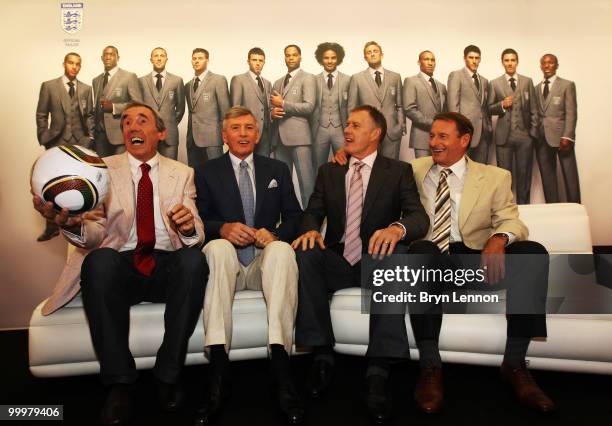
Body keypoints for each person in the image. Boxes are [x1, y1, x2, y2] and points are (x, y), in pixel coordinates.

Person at [33, 102, 208, 426]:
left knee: (194, 259)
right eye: (127, 122)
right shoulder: (100, 171)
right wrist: (70, 224)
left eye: (142, 121)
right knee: (100, 262)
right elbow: (95, 235)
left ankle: (168, 374)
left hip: (165, 263)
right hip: (120, 266)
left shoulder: (182, 173)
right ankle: (119, 382)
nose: (132, 127)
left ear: (161, 132)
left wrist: (186, 228)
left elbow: (195, 232)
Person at [409, 111, 553, 414]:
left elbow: (512, 221)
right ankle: (430, 367)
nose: (433, 142)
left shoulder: (495, 177)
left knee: (532, 252)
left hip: (477, 261)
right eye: (431, 135)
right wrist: (345, 154)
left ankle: (515, 365)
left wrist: (499, 238)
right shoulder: (413, 170)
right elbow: (375, 174)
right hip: (433, 263)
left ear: (465, 140)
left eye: (442, 136)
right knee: (421, 251)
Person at [293, 105, 430, 423]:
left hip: (377, 260)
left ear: (376, 133)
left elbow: (418, 217)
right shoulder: (330, 171)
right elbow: (313, 211)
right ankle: (322, 354)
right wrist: (312, 229)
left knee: (396, 254)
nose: (347, 131)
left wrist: (397, 229)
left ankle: (379, 368)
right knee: (306, 252)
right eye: (346, 125)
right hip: (340, 259)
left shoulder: (397, 171)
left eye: (355, 125)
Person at [194, 106, 303, 425]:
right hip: (225, 267)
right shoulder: (204, 171)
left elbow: (295, 216)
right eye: (235, 128)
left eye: (248, 128)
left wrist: (276, 233)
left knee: (283, 250)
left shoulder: (278, 169)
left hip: (261, 267)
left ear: (257, 135)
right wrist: (222, 228)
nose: (243, 133)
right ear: (224, 135)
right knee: (216, 247)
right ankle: (217, 371)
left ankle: (282, 369)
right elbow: (197, 221)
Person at [35, 52, 95, 241]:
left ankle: (77, 226)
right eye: (71, 63)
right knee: (53, 182)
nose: (74, 67)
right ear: (64, 64)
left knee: (79, 182)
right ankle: (51, 226)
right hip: (56, 140)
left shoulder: (86, 89)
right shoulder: (49, 86)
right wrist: (45, 136)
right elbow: (41, 114)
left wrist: (89, 137)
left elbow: (90, 115)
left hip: (79, 142)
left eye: (78, 64)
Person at [488, 48, 538, 204]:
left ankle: (525, 210)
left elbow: (534, 109)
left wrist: (532, 134)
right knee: (504, 178)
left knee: (524, 176)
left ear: (517, 62)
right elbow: (489, 108)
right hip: (504, 138)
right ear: (502, 62)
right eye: (507, 60)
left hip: (524, 138)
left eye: (513, 60)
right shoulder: (495, 83)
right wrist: (501, 104)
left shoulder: (527, 81)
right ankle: (506, 211)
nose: (510, 63)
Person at [270, 44, 316, 208]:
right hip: (279, 139)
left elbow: (309, 107)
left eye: (294, 55)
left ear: (300, 57)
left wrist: (282, 103)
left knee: (307, 183)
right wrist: (272, 113)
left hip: (300, 138)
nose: (291, 58)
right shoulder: (277, 82)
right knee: (283, 186)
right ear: (284, 58)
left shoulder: (308, 78)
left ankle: (310, 221)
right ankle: (290, 221)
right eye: (288, 55)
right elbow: (272, 108)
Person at [347, 41, 405, 160]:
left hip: (391, 132)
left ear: (381, 55)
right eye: (369, 52)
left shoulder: (395, 77)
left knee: (391, 168)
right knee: (368, 169)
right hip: (366, 132)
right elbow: (352, 108)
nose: (372, 54)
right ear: (365, 57)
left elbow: (400, 105)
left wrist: (400, 126)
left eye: (375, 51)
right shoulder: (357, 78)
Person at [535, 54, 580, 203]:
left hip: (562, 139)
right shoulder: (536, 88)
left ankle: (575, 207)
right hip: (542, 139)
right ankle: (552, 208)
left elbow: (571, 112)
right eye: (544, 63)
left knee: (570, 176)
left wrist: (567, 136)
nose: (547, 66)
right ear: (541, 66)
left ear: (557, 65)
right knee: (548, 178)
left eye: (551, 63)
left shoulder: (567, 85)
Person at [92, 46, 143, 157]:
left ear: (117, 57)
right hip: (100, 135)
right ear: (102, 58)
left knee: (120, 170)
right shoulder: (96, 80)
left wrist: (114, 107)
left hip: (119, 134)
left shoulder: (129, 77)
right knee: (102, 171)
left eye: (112, 54)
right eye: (106, 54)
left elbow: (138, 104)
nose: (108, 57)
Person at [185, 48, 230, 168]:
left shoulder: (218, 80)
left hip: (212, 138)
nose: (196, 61)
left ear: (207, 60)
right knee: (195, 176)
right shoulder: (188, 85)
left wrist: (225, 134)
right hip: (192, 140)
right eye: (194, 58)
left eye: (200, 58)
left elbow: (225, 111)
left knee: (217, 174)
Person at [447, 45, 493, 164]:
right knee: (462, 168)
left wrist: (488, 127)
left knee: (480, 171)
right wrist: (459, 131)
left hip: (483, 133)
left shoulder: (484, 81)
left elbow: (485, 107)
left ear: (480, 59)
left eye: (477, 58)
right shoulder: (456, 75)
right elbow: (453, 107)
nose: (474, 61)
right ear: (464, 58)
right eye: (471, 57)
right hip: (464, 132)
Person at [139, 47, 185, 160]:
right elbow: (139, 108)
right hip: (147, 133)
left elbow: (180, 108)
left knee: (170, 170)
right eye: (156, 56)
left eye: (162, 56)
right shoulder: (141, 81)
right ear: (151, 60)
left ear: (166, 59)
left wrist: (170, 123)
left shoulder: (177, 80)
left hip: (169, 134)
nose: (159, 59)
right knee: (148, 169)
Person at [311, 42, 351, 170]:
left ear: (338, 58)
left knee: (343, 165)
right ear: (320, 59)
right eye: (326, 58)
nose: (329, 61)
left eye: (333, 57)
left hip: (340, 129)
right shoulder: (313, 80)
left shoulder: (348, 79)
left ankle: (341, 190)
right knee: (318, 167)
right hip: (319, 130)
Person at [403, 50, 447, 158]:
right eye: (426, 59)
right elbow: (409, 109)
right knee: (422, 172)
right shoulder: (411, 81)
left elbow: (445, 110)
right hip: (421, 138)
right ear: (419, 62)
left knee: (438, 171)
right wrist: (433, 124)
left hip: (440, 138)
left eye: (432, 60)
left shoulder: (441, 86)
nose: (430, 62)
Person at [230, 47, 273, 157]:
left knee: (264, 167)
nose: (258, 63)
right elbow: (235, 110)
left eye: (260, 61)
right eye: (254, 60)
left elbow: (267, 108)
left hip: (265, 135)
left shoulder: (268, 83)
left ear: (264, 62)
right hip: (246, 133)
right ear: (248, 62)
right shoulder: (238, 80)